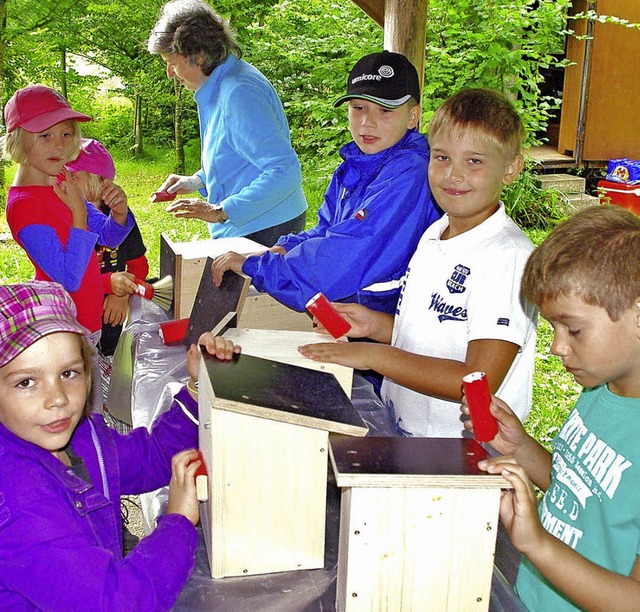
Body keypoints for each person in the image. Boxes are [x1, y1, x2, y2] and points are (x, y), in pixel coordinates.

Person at [299, 88, 538, 437]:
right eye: (441, 157)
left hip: (461, 451)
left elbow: (476, 381)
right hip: (403, 426)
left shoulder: (509, 258)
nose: (453, 175)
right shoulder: (434, 235)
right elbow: (433, 332)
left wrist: (372, 357)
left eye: (474, 161)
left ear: (511, 168)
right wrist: (375, 327)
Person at [0, 280, 239, 609]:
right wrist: (179, 523)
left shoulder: (80, 435)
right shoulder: (18, 503)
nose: (56, 399)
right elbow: (117, 603)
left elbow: (149, 459)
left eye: (69, 373)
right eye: (26, 382)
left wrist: (197, 387)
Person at [470, 205, 640, 610]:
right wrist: (521, 448)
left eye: (574, 329)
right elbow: (584, 492)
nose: (557, 347)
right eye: (553, 329)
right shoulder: (602, 389)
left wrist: (537, 545)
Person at [211, 50, 442, 315]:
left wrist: (258, 267)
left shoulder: (411, 172)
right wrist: (283, 248)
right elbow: (327, 230)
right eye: (359, 108)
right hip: (356, 314)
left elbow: (346, 254)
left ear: (413, 117)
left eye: (385, 110)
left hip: (392, 325)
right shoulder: (355, 166)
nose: (367, 122)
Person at [147, 0, 307, 246]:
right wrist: (197, 181)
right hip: (254, 224)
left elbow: (284, 172)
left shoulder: (239, 92)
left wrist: (219, 211)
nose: (170, 73)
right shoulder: (220, 84)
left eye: (172, 62)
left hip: (266, 227)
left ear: (198, 55)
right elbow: (238, 155)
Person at [2, 85, 136, 343]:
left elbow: (106, 237)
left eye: (66, 133)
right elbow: (69, 278)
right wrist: (77, 211)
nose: (60, 145)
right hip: (66, 327)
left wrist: (118, 215)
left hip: (87, 318)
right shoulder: (24, 206)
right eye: (45, 135)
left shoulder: (61, 178)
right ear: (18, 139)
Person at [66, 138, 149, 359]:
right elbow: (63, 281)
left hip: (111, 329)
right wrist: (108, 284)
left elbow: (139, 266)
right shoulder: (65, 219)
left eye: (73, 175)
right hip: (75, 326)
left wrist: (121, 295)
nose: (64, 182)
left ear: (97, 179)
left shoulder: (120, 218)